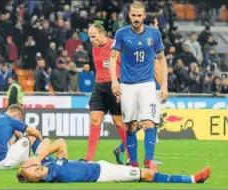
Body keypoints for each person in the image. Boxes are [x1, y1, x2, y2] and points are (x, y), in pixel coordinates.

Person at [110, 2, 168, 169]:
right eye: (133, 15)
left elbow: (162, 59)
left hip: (147, 84)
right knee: (130, 125)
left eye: (139, 15)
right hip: (127, 85)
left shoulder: (154, 34)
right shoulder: (121, 34)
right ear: (129, 15)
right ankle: (133, 164)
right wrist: (115, 81)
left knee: (149, 122)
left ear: (144, 16)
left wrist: (163, 85)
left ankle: (149, 160)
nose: (136, 18)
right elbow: (113, 57)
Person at [16, 138, 211, 184]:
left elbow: (47, 141)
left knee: (145, 171)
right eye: (34, 176)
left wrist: (36, 159)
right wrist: (38, 159)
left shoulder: (48, 166)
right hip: (103, 174)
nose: (37, 172)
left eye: (34, 170)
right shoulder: (54, 172)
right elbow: (60, 142)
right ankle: (193, 179)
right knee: (148, 175)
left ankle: (124, 157)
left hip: (98, 165)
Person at [84, 23, 126, 161]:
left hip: (115, 85)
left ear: (102, 34)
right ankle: (88, 160)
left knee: (118, 121)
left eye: (93, 37)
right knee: (95, 120)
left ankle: (131, 157)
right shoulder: (94, 48)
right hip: (99, 86)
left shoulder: (115, 46)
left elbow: (125, 66)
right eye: (90, 37)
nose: (91, 40)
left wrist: (122, 87)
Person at [0, 104, 42, 169]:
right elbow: (36, 133)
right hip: (1, 164)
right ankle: (42, 161)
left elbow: (16, 135)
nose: (20, 122)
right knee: (32, 137)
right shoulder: (10, 120)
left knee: (16, 134)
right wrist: (40, 140)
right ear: (17, 115)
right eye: (20, 120)